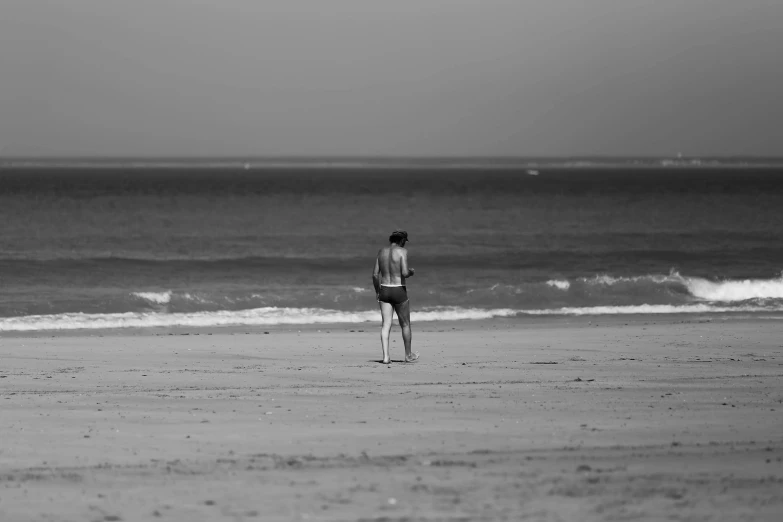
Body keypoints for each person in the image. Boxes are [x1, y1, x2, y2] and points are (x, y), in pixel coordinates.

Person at [372, 230, 419, 364]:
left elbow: (375, 275)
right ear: (402, 240)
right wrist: (411, 272)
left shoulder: (381, 252)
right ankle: (408, 355)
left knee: (385, 325)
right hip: (398, 290)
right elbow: (404, 273)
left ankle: (386, 357)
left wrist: (377, 291)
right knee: (405, 324)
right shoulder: (402, 252)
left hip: (384, 289)